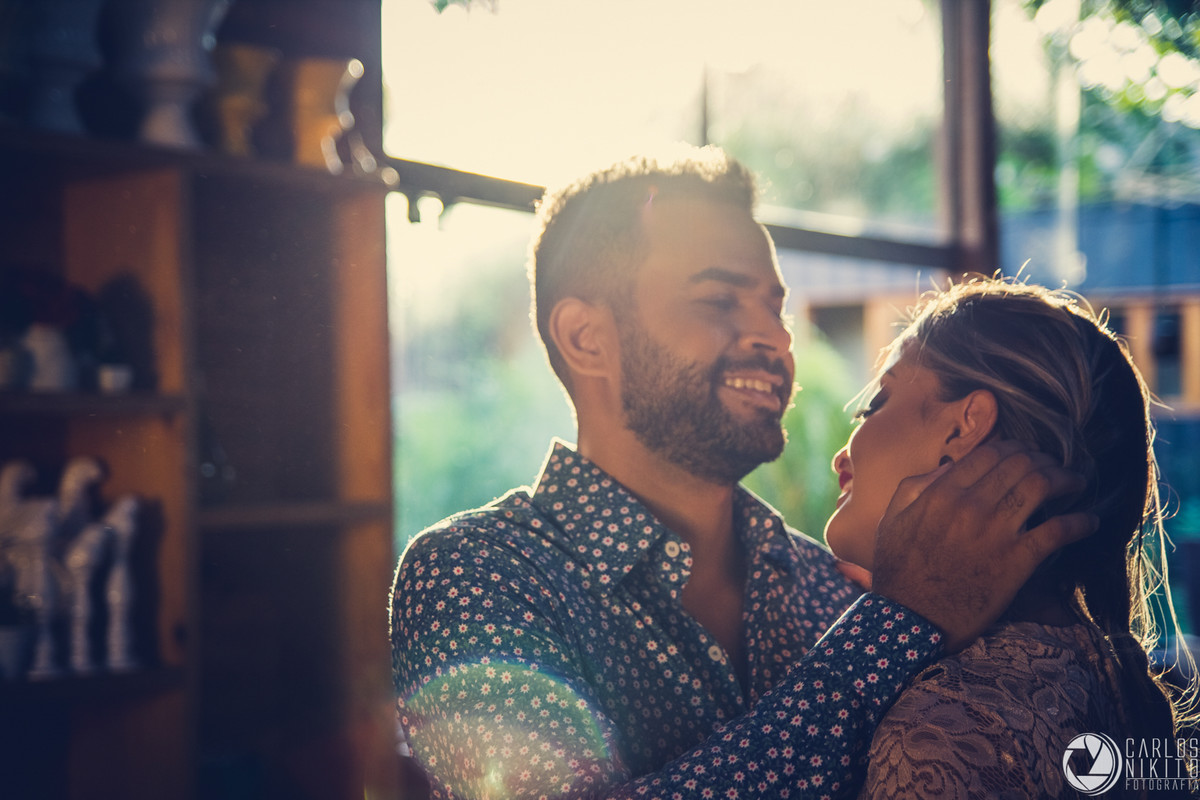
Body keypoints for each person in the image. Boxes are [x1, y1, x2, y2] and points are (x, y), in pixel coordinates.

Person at [389, 146, 1095, 799]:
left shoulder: (835, 589)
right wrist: (894, 630)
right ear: (586, 337)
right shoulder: (473, 575)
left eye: (774, 305)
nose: (777, 337)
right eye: (719, 300)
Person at [824, 277, 1198, 798]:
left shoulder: (940, 735)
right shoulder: (1110, 678)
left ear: (964, 428)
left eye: (876, 403)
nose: (839, 456)